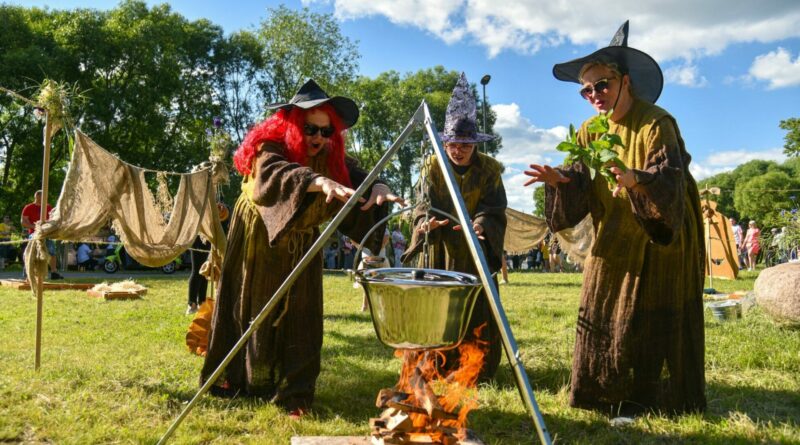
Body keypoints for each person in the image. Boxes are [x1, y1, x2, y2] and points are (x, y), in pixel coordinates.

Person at [524, 21, 705, 414]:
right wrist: (560, 180)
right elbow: (580, 176)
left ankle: (652, 397)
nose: (594, 95)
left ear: (625, 81)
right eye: (586, 90)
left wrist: (636, 179)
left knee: (653, 307)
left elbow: (671, 177)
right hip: (615, 226)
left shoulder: (656, 122)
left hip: (662, 231)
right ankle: (605, 391)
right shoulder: (589, 130)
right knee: (602, 298)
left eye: (601, 85)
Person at [200, 80, 403, 417]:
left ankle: (295, 393)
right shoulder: (270, 146)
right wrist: (313, 180)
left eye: (326, 131)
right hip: (258, 237)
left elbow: (358, 177)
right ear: (294, 124)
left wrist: (379, 185)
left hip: (304, 240)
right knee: (252, 306)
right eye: (310, 129)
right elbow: (273, 173)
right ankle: (236, 380)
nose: (318, 138)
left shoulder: (330, 155)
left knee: (303, 314)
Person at [402, 73, 506, 382]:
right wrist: (425, 223)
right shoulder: (432, 166)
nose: (458, 150)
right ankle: (435, 363)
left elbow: (495, 207)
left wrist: (481, 225)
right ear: (444, 142)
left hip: (475, 252)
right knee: (439, 307)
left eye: (465, 145)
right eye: (452, 144)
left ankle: (475, 366)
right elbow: (421, 203)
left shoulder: (490, 169)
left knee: (475, 307)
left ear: (474, 144)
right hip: (440, 248)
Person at [186, 202, 229, 315]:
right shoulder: (198, 203)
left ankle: (202, 302)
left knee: (205, 272)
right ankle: (192, 304)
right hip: (198, 238)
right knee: (196, 271)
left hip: (208, 239)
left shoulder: (212, 203)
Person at [21, 190, 63, 280]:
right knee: (31, 253)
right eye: (41, 197)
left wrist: (49, 227)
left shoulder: (48, 207)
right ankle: (28, 272)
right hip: (34, 234)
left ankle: (54, 272)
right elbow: (23, 222)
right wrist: (35, 227)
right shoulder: (29, 207)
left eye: (44, 197)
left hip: (46, 233)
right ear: (36, 197)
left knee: (52, 252)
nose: (43, 199)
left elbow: (52, 219)